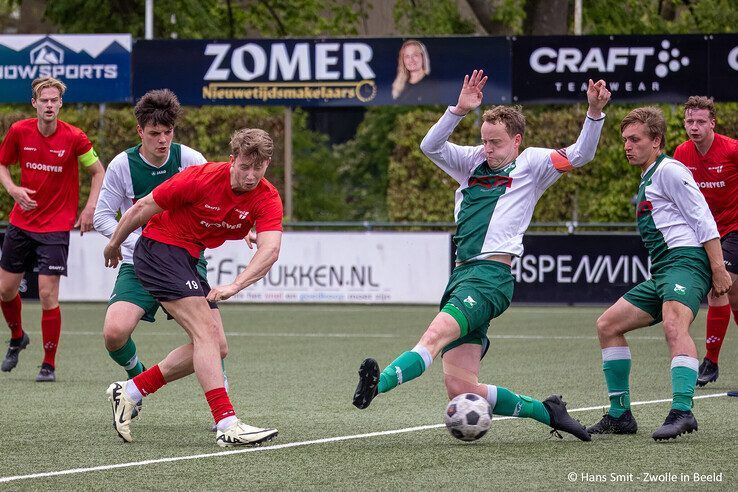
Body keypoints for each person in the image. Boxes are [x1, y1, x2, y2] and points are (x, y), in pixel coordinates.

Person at [353, 69, 611, 442]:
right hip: (461, 276)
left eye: (496, 142)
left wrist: (594, 114)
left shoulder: (534, 164)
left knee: (434, 335)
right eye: (484, 140)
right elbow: (430, 146)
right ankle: (548, 412)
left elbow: (581, 154)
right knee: (461, 388)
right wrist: (457, 110)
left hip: (491, 277)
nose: (488, 148)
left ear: (516, 140)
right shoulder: (471, 161)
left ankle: (379, 385)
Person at [103, 128, 283, 447]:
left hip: (189, 256)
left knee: (218, 345)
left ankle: (130, 390)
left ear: (268, 164)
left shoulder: (267, 196)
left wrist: (237, 284)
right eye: (245, 166)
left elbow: (270, 249)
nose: (251, 175)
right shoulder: (201, 177)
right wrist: (114, 243)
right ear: (232, 161)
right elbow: (143, 207)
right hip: (159, 248)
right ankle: (226, 422)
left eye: (259, 167)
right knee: (205, 334)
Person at [587, 107, 732, 441]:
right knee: (608, 325)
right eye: (625, 140)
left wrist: (718, 268)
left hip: (687, 261)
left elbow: (702, 218)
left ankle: (682, 411)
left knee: (673, 324)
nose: (628, 146)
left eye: (635, 139)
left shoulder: (669, 169)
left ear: (656, 141)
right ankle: (621, 414)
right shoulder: (649, 175)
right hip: (664, 269)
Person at [0, 76, 105, 382]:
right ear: (34, 103)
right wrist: (13, 189)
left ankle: (49, 364)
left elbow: (98, 172)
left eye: (53, 100)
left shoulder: (75, 138)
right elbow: (3, 165)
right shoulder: (20, 131)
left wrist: (90, 207)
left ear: (61, 104)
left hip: (56, 226)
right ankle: (18, 337)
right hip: (21, 222)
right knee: (5, 290)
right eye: (43, 100)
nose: (48, 105)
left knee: (47, 294)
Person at [673, 96, 738, 388]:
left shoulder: (732, 149)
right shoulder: (682, 153)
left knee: (718, 286)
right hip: (705, 233)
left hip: (734, 229)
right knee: (734, 297)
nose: (694, 127)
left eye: (701, 121)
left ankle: (711, 361)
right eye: (690, 121)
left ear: (712, 123)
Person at [391, 39, 433, 104]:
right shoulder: (400, 86)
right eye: (407, 56)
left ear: (423, 57)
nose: (411, 60)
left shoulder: (432, 84)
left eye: (415, 55)